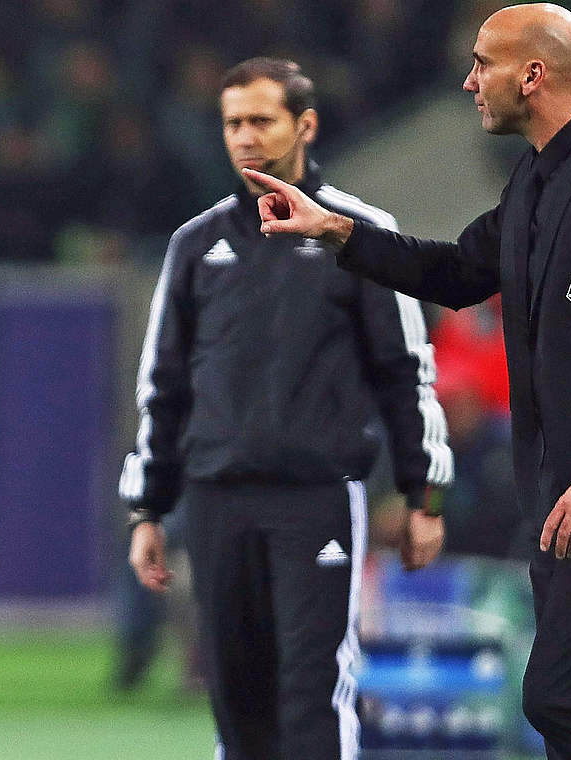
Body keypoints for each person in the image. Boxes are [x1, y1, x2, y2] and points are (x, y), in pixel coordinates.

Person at [241, 5, 571, 758]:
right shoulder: (539, 177)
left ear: (532, 75)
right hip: (563, 487)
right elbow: (455, 271)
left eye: (483, 64)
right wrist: (336, 230)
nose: (470, 82)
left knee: (560, 695)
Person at [121, 57, 454, 760]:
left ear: (304, 124)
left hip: (318, 498)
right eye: (232, 123)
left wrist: (424, 495)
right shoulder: (194, 244)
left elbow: (406, 373)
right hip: (216, 501)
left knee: (313, 692)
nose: (244, 137)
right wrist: (148, 508)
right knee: (236, 701)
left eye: (260, 121)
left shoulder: (360, 234)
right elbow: (164, 385)